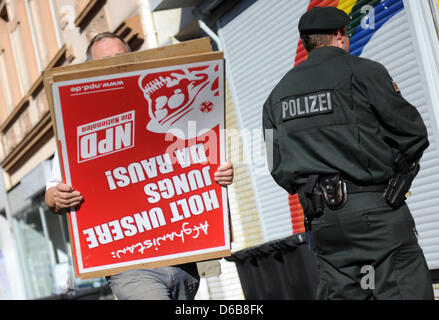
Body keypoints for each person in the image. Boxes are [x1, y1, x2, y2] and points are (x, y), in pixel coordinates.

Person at [45, 32, 234, 300]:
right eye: (104, 60)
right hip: (130, 268)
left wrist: (221, 173)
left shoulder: (169, 109)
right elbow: (52, 194)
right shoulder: (76, 120)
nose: (113, 65)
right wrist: (56, 197)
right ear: (88, 68)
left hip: (182, 258)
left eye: (121, 58)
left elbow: (203, 158)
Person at [262, 7, 434, 300]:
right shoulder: (365, 72)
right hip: (377, 211)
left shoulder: (275, 97)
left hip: (324, 222)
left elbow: (276, 165)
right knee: (403, 289)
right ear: (340, 34)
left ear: (308, 42)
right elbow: (413, 133)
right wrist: (392, 172)